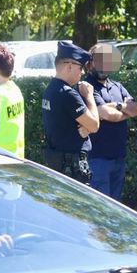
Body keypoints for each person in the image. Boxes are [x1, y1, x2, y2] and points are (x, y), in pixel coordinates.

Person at [86, 43, 137, 200]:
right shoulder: (87, 87)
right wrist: (125, 110)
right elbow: (105, 113)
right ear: (91, 63)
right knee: (100, 208)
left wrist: (116, 106)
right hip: (98, 159)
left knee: (115, 206)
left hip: (118, 158)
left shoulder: (117, 86)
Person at [41, 41, 99, 182]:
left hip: (58, 162)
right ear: (69, 66)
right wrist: (89, 95)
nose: (83, 72)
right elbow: (94, 125)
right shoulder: (68, 94)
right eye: (81, 68)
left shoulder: (51, 89)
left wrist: (85, 128)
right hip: (71, 168)